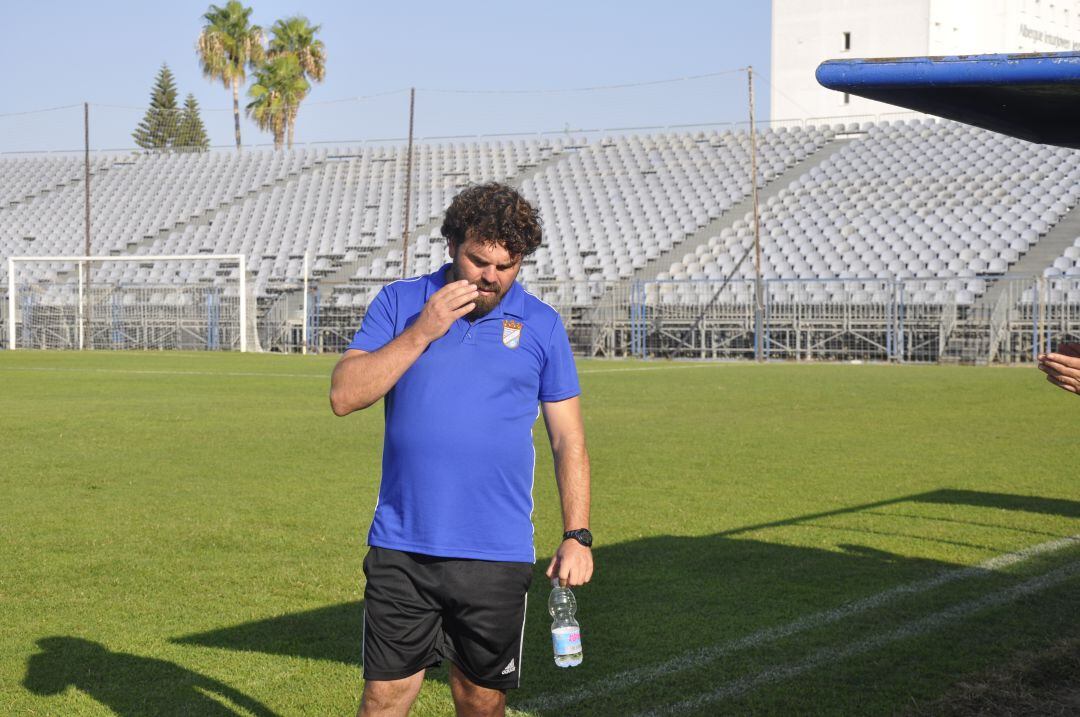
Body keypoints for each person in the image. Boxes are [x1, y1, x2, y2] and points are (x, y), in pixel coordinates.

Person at [330, 182, 593, 717]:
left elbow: (568, 438)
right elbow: (344, 395)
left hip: (494, 552)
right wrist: (423, 330)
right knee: (384, 697)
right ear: (452, 244)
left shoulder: (541, 324)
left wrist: (577, 535)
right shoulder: (401, 302)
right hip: (403, 545)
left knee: (479, 699)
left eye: (508, 265)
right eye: (478, 261)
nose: (491, 276)